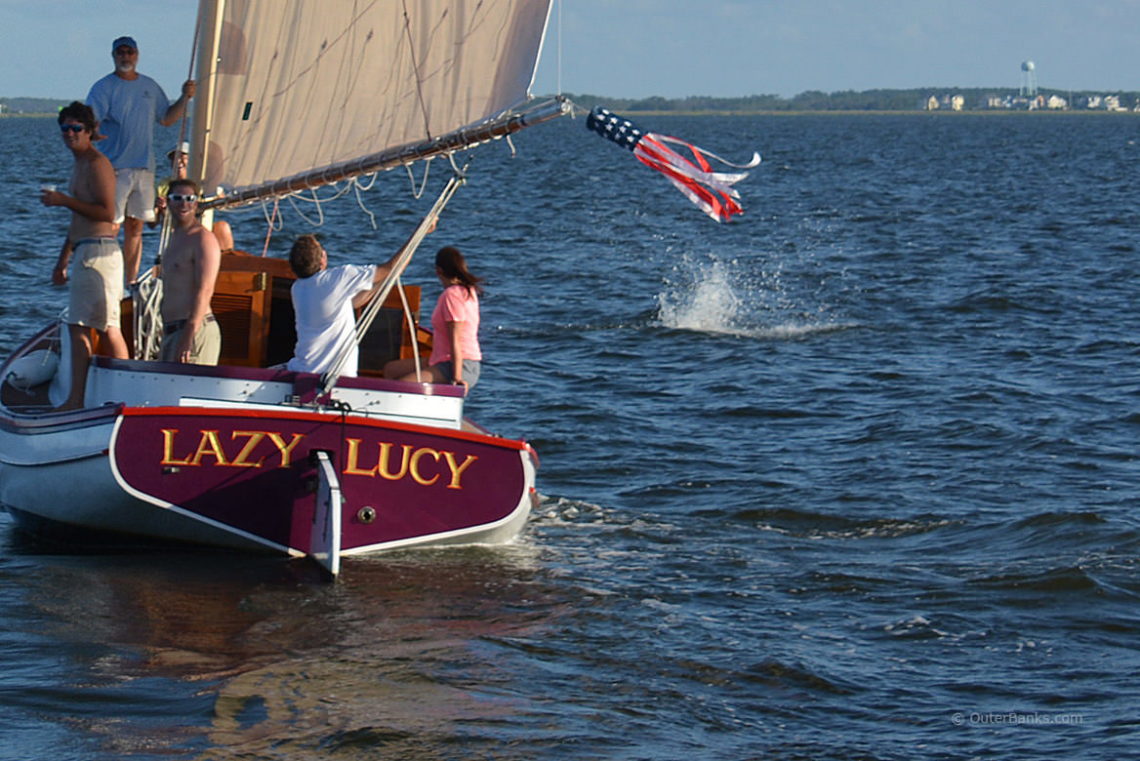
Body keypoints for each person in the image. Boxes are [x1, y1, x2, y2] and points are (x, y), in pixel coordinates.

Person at [41, 101, 130, 410]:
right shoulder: (80, 164)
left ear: (90, 132)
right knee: (85, 325)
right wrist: (62, 259)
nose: (70, 133)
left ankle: (82, 400)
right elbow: (79, 221)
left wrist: (64, 200)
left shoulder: (96, 164)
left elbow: (107, 212)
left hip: (100, 253)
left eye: (77, 128)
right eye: (65, 128)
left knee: (101, 326)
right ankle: (85, 398)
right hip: (85, 250)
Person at [86, 35, 196, 285]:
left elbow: (167, 118)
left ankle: (130, 282)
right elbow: (91, 122)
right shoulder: (103, 88)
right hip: (114, 169)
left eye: (130, 52)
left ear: (137, 55)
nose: (126, 56)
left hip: (144, 169)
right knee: (111, 227)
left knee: (135, 228)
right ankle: (106, 281)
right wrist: (92, 135)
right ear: (113, 56)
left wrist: (185, 97)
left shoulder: (150, 86)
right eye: (120, 52)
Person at [286, 227, 431, 378]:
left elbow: (351, 304)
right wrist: (419, 233)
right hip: (334, 377)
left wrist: (386, 281)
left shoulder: (298, 288)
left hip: (302, 370)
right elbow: (390, 267)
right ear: (323, 258)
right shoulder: (338, 278)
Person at [384, 246, 483, 392]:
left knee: (402, 386)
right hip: (443, 360)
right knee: (391, 370)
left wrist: (456, 379)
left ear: (439, 271)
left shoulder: (451, 295)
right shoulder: (468, 291)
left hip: (459, 365)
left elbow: (455, 338)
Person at [158, 179, 221, 365]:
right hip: (172, 332)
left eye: (189, 198)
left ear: (196, 203)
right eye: (177, 198)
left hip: (193, 331)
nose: (184, 203)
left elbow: (205, 290)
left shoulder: (203, 239)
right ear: (168, 201)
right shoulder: (174, 237)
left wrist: (188, 335)